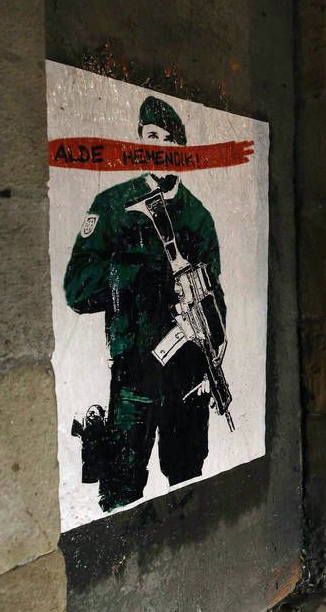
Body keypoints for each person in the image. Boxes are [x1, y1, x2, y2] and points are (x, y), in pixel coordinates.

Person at [64, 96, 226, 511]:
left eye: (165, 139)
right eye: (147, 137)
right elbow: (77, 288)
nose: (154, 146)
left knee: (186, 482)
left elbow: (215, 291)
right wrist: (137, 274)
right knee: (121, 490)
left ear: (181, 151)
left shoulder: (198, 218)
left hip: (188, 376)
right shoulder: (113, 208)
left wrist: (215, 341)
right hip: (135, 371)